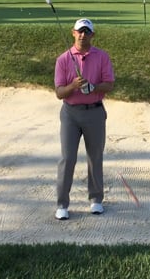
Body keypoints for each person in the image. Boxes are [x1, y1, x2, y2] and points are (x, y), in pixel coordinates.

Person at [53, 18, 115, 220]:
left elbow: (109, 84)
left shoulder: (102, 57)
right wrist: (73, 86)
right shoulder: (64, 59)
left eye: (87, 32)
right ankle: (62, 204)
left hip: (95, 112)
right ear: (73, 33)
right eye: (79, 31)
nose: (83, 35)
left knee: (95, 157)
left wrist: (93, 87)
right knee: (67, 158)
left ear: (92, 35)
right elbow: (60, 92)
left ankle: (96, 200)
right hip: (70, 113)